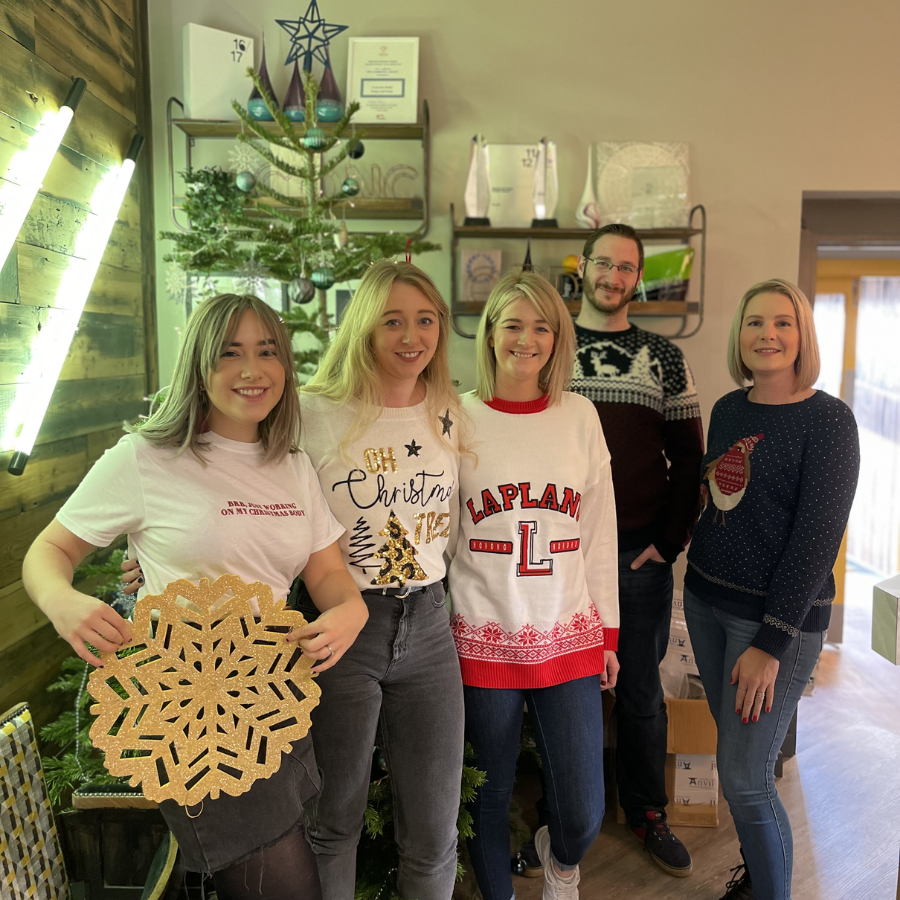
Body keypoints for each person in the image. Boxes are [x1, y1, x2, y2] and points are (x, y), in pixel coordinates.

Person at [22, 293, 369, 899]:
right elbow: (48, 551)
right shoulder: (145, 458)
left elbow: (329, 574)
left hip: (272, 700)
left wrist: (352, 609)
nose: (251, 370)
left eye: (267, 351)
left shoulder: (291, 465)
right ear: (200, 366)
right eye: (230, 353)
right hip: (189, 713)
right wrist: (62, 602)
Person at [293, 260, 466, 900]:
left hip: (429, 626)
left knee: (434, 831)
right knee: (332, 820)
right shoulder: (310, 412)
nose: (411, 337)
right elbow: (244, 488)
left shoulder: (451, 411)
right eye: (392, 321)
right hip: (343, 627)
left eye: (425, 320)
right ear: (364, 327)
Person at [683, 279, 859, 900]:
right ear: (740, 335)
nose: (768, 335)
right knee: (743, 765)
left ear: (802, 335)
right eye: (755, 322)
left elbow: (817, 541)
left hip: (770, 625)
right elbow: (718, 499)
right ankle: (761, 877)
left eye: (783, 322)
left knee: (744, 779)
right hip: (705, 602)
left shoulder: (829, 420)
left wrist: (770, 642)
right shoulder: (730, 409)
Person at [449, 271, 619, 900]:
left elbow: (599, 531)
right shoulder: (456, 418)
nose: (527, 339)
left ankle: (560, 860)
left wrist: (608, 633)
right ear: (491, 334)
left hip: (567, 632)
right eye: (513, 325)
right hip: (482, 634)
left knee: (583, 808)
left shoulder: (580, 416)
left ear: (557, 338)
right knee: (489, 795)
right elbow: (440, 534)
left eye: (542, 327)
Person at [564, 222, 703, 877]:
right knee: (564, 692)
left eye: (626, 267)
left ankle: (647, 812)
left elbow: (691, 458)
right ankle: (564, 815)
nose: (613, 277)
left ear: (638, 278)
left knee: (641, 695)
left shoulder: (664, 357)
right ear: (583, 268)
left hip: (636, 560)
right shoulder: (551, 345)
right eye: (603, 263)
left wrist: (668, 543)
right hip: (560, 557)